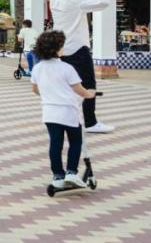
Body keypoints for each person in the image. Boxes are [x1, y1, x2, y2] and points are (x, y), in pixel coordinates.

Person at [30, 29, 96, 191]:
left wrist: (48, 92)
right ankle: (72, 172)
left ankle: (58, 176)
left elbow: (35, 89)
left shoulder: (38, 68)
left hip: (49, 113)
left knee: (55, 144)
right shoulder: (66, 68)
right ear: (56, 49)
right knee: (75, 141)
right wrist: (89, 94)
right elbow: (79, 89)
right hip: (68, 112)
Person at [49, 0, 113, 132]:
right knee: (89, 84)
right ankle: (91, 122)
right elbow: (102, 4)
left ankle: (62, 119)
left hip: (62, 49)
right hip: (78, 48)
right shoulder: (75, 0)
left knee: (66, 85)